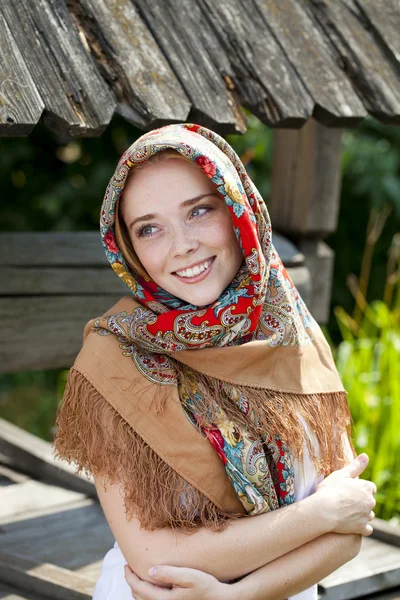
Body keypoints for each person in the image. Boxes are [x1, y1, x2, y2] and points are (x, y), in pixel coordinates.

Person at [53, 123, 376, 600]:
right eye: (149, 229)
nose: (181, 245)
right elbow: (151, 557)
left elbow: (349, 529)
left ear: (236, 209)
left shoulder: (291, 328)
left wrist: (237, 596)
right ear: (128, 247)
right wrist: (317, 515)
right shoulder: (111, 358)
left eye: (199, 210)